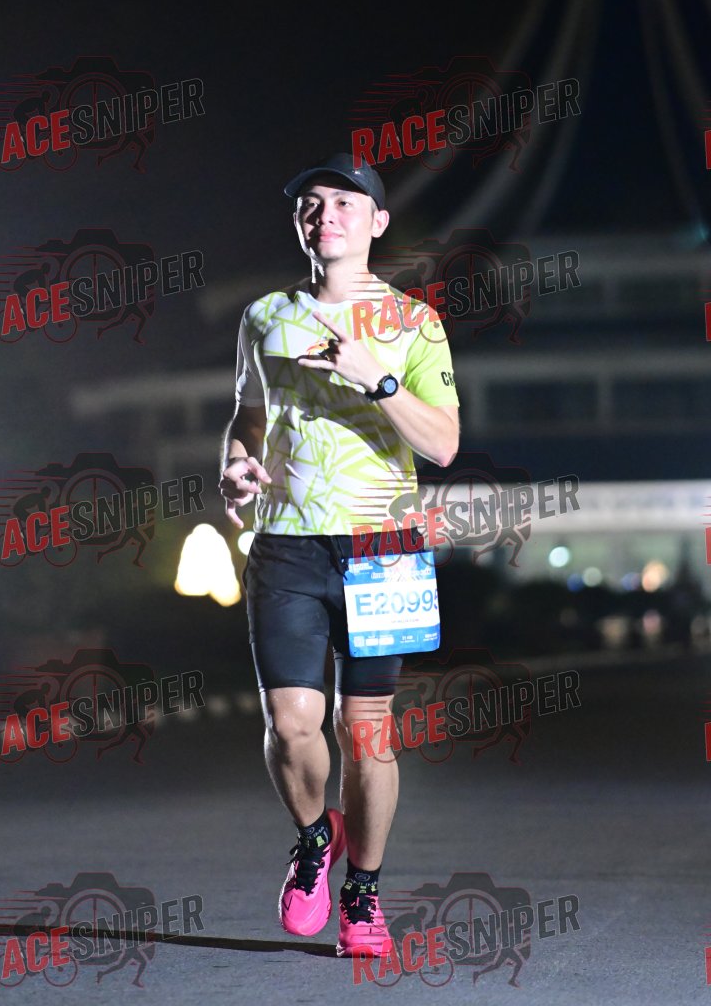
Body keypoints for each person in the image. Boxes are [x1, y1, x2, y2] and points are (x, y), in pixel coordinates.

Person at [218, 153, 459, 958]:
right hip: (286, 542)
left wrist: (376, 378)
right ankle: (315, 838)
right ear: (300, 223)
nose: (326, 215)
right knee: (292, 726)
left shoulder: (415, 323)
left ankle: (363, 892)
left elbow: (445, 444)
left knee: (367, 734)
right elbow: (249, 413)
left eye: (346, 203)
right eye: (312, 204)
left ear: (378, 222)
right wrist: (237, 463)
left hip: (384, 547)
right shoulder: (264, 316)